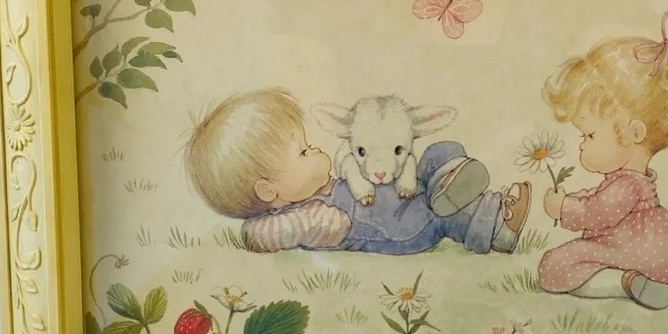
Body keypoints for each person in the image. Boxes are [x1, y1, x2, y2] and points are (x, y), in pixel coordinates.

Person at [184, 88, 530, 255]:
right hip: (397, 226)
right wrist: (257, 233)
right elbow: (276, 232)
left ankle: (451, 174)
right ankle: (497, 225)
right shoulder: (305, 217)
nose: (316, 151)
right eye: (304, 152)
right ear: (268, 190)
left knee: (436, 154)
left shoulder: (319, 190)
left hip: (397, 195)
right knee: (437, 214)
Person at [537, 12, 668, 308]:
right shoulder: (635, 182)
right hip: (658, 253)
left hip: (627, 249)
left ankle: (624, 283)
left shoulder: (626, 186)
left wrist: (563, 208)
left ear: (633, 133)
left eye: (590, 134)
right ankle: (642, 283)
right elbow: (599, 200)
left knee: (553, 267)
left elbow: (598, 212)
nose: (582, 144)